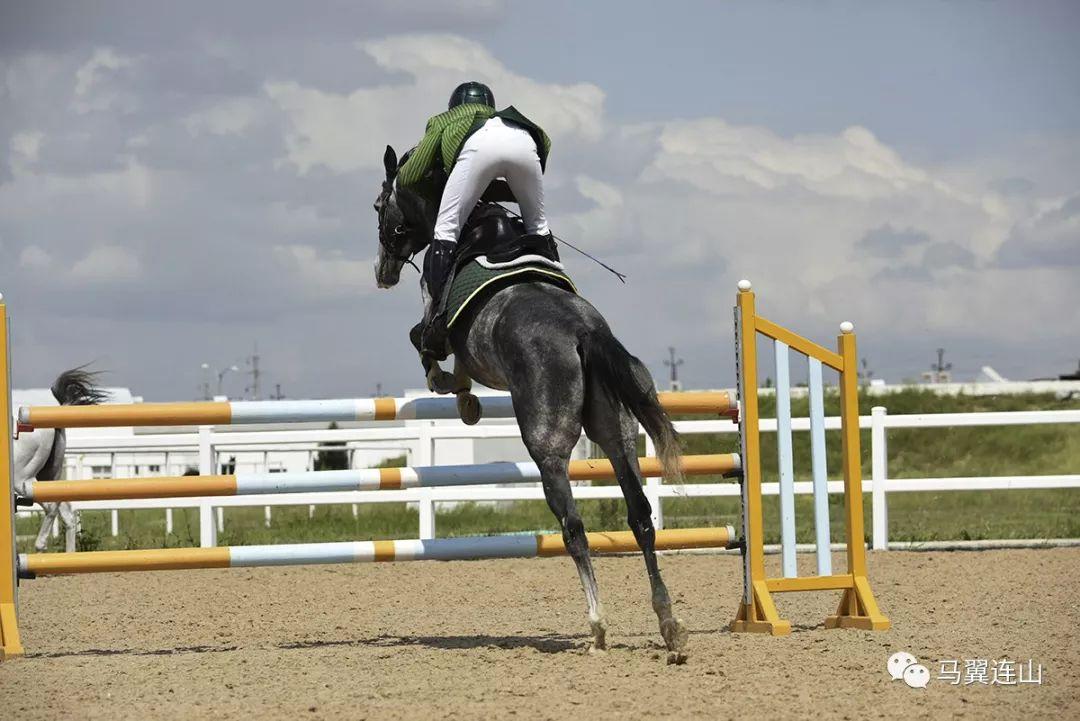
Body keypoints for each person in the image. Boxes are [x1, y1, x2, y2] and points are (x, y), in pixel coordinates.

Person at [396, 81, 552, 359]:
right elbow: (543, 146)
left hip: (479, 149)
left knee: (445, 231)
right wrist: (512, 188)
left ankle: (436, 322)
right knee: (538, 227)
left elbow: (409, 177)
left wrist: (442, 192)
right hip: (527, 142)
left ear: (454, 106)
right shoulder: (504, 119)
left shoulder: (444, 120)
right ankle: (558, 288)